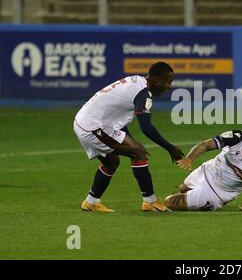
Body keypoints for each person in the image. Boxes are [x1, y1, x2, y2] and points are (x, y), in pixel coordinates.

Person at [73, 61, 184, 213]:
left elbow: (118, 118)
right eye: (168, 82)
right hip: (93, 127)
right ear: (157, 80)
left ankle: (91, 202)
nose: (170, 86)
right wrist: (170, 148)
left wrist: (132, 143)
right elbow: (146, 127)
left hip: (90, 121)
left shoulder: (137, 82)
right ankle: (150, 201)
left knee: (112, 162)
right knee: (138, 153)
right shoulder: (143, 93)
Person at [164, 129, 242, 213]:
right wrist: (189, 159)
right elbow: (206, 145)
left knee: (169, 202)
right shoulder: (237, 137)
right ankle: (194, 200)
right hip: (206, 171)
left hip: (216, 193)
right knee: (182, 189)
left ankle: (208, 204)